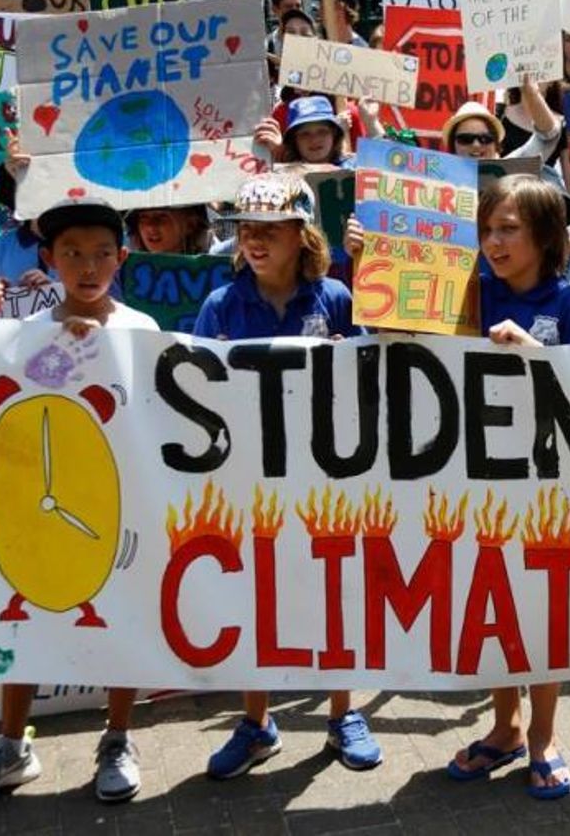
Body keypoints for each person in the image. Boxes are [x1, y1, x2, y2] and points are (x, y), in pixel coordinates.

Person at [0, 199, 159, 804]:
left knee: (124, 618)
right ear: (48, 258)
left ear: (122, 258)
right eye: (71, 254)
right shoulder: (19, 336)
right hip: (33, 511)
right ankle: (10, 745)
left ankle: (118, 737)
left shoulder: (143, 331)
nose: (87, 267)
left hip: (113, 510)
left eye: (100, 254)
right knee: (20, 618)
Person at [192, 173, 380, 778]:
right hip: (249, 482)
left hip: (328, 481)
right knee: (252, 599)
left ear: (303, 235)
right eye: (246, 230)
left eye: (270, 230)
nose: (255, 241)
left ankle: (343, 713)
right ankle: (256, 722)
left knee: (337, 596)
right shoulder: (220, 306)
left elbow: (373, 374)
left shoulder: (337, 298)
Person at [445, 174, 570, 798]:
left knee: (541, 612)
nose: (493, 241)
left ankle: (543, 735)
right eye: (486, 229)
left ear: (543, 236)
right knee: (492, 607)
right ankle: (504, 727)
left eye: (508, 229)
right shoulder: (465, 294)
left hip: (547, 484)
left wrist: (536, 353)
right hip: (477, 479)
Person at [442, 86, 561, 164]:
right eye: (465, 139)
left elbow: (548, 136)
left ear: (496, 145)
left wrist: (531, 93)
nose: (476, 144)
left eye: (485, 139)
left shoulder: (511, 171)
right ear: (453, 144)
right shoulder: (435, 181)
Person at [255, 95, 349, 168]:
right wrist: (279, 152)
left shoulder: (353, 167)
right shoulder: (284, 176)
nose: (314, 140)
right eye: (305, 134)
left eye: (322, 132)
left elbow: (364, 187)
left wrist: (364, 119)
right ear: (294, 140)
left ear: (334, 134)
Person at [126, 205, 213, 255]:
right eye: (144, 217)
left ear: (190, 224)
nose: (150, 226)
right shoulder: (123, 273)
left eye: (162, 216)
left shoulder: (217, 264)